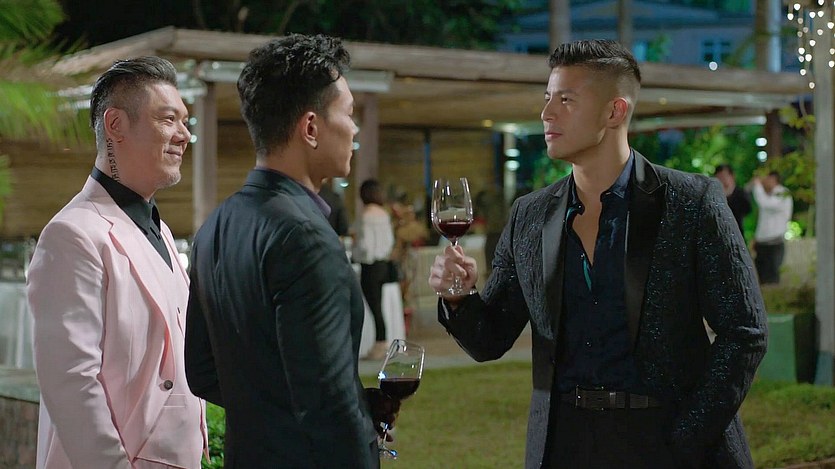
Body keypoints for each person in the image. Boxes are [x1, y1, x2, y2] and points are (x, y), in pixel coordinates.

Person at [428, 39, 767, 469]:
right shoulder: (530, 216)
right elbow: (489, 338)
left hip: (665, 445)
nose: (546, 113)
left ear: (615, 112)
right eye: (547, 97)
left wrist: (687, 436)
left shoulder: (690, 203)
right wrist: (459, 298)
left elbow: (744, 331)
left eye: (566, 100)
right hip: (565, 447)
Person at [184, 34, 398, 468]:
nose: (354, 129)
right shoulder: (306, 237)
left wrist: (271, 414)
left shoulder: (215, 227)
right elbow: (328, 408)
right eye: (349, 114)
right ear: (311, 128)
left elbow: (202, 371)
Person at [26, 57, 206, 468]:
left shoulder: (159, 230)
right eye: (169, 119)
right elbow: (72, 383)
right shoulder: (72, 234)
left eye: (185, 121)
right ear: (115, 125)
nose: (184, 135)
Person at [353, 179, 396, 360]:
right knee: (379, 305)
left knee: (374, 306)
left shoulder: (365, 216)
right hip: (383, 265)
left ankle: (381, 343)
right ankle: (380, 341)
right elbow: (389, 241)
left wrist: (356, 253)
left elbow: (365, 245)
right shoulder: (384, 214)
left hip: (370, 266)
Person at [749, 171, 793, 284]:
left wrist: (757, 186)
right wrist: (756, 238)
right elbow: (763, 222)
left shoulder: (782, 193)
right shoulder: (768, 195)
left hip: (774, 243)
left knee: (772, 279)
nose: (763, 181)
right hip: (762, 243)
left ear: (773, 178)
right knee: (761, 279)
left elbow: (765, 203)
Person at [714, 164, 752, 236]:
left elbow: (746, 209)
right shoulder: (714, 196)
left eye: (724, 176)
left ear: (732, 176)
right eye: (719, 177)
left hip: (737, 234)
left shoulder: (741, 193)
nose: (722, 180)